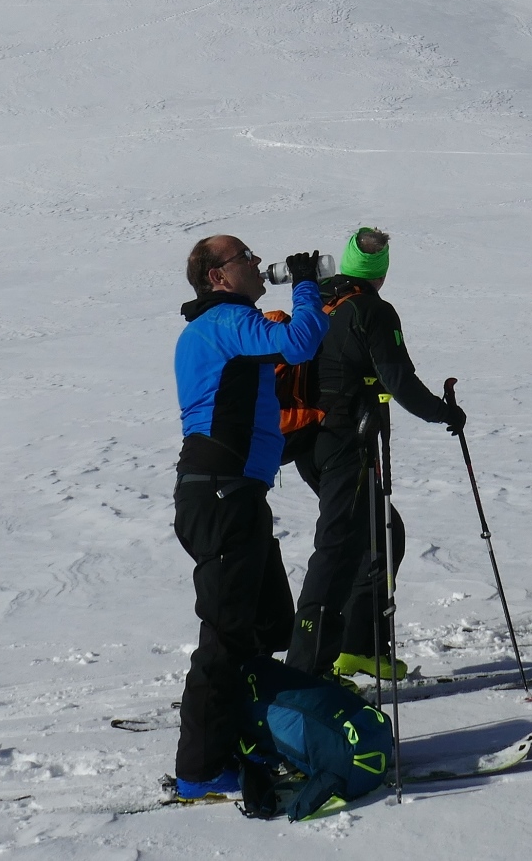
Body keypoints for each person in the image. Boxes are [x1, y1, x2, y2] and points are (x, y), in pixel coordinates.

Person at [169, 236, 329, 811]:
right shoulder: (226, 320)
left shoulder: (218, 326)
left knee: (265, 627)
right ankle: (200, 770)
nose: (259, 264)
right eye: (245, 258)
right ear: (217, 276)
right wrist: (307, 284)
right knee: (226, 635)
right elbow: (300, 341)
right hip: (221, 494)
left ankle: (248, 738)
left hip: (231, 492)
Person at [283, 227, 466, 679]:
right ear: (380, 272)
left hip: (310, 441)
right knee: (348, 543)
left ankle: (354, 647)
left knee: (377, 535)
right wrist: (446, 414)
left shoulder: (323, 300)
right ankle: (315, 665)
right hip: (348, 441)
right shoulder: (372, 311)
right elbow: (399, 382)